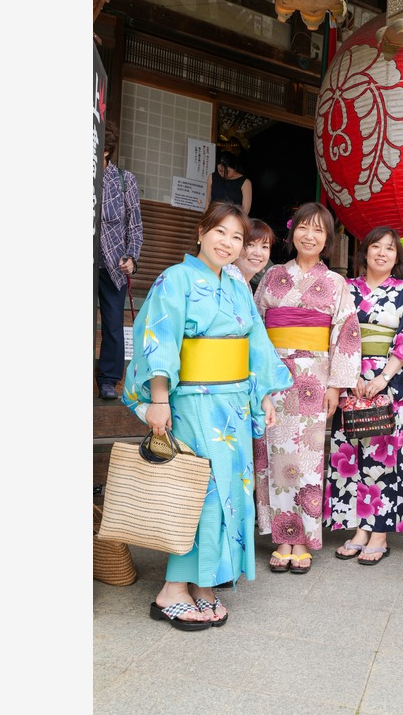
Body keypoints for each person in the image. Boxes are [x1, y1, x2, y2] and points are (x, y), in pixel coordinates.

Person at [122, 201, 294, 630]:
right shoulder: (175, 279)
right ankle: (173, 589)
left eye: (237, 237)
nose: (229, 243)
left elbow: (256, 343)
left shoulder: (237, 288)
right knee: (201, 490)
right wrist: (158, 399)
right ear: (201, 232)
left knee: (231, 489)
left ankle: (205, 584)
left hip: (234, 402)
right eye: (222, 233)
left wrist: (265, 396)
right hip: (194, 402)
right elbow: (159, 339)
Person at [252, 203, 361, 575]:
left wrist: (336, 385)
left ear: (327, 239)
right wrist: (257, 378)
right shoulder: (271, 277)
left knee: (308, 458)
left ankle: (303, 539)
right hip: (274, 376)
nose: (309, 235)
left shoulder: (335, 283)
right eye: (303, 228)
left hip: (315, 377)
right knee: (274, 454)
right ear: (292, 232)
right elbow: (255, 328)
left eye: (318, 230)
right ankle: (281, 537)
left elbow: (346, 333)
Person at [326, 226, 403, 564]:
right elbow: (336, 333)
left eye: (389, 248)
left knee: (384, 456)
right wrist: (350, 374)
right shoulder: (347, 289)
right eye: (376, 246)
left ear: (397, 256)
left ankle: (380, 530)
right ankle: (359, 527)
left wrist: (384, 377)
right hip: (350, 379)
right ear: (365, 251)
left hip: (389, 380)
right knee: (351, 450)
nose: (382, 253)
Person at [96, 120, 143, 401]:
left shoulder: (125, 180)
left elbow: (134, 227)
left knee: (113, 324)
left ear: (105, 150)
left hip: (112, 264)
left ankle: (108, 379)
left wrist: (132, 259)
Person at [231, 218, 275, 291]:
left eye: (265, 247)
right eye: (250, 244)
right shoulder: (224, 283)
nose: (258, 253)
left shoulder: (244, 285)